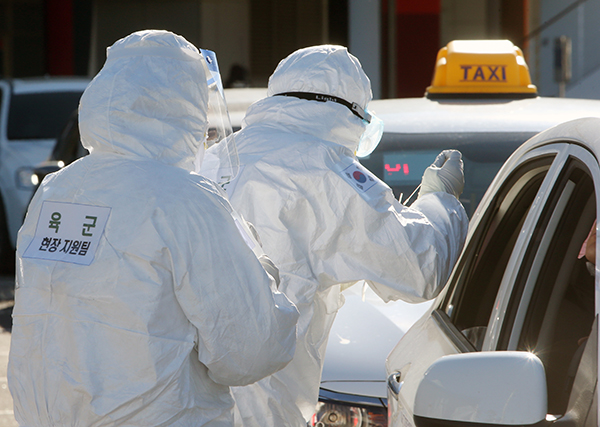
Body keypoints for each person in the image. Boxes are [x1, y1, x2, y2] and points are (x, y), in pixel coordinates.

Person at [8, 30, 298, 426]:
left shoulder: (59, 188)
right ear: (185, 106)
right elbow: (251, 349)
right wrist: (263, 270)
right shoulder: (185, 199)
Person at [205, 45, 470, 426]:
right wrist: (440, 200)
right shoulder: (324, 170)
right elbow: (421, 266)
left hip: (196, 401)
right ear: (349, 111)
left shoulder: (217, 158)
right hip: (264, 404)